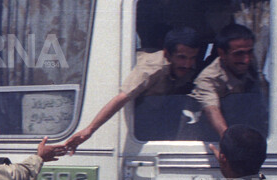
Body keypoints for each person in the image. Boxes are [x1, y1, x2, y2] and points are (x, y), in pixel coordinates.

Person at [64, 27, 201, 151]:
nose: (187, 64)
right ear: (167, 54)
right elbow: (122, 98)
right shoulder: (151, 69)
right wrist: (90, 129)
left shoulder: (189, 69)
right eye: (181, 58)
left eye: (192, 58)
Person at [189, 23, 267, 139]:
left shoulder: (252, 64)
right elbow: (212, 110)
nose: (246, 60)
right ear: (222, 53)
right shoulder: (208, 79)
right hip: (208, 137)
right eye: (238, 54)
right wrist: (230, 143)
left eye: (249, 52)